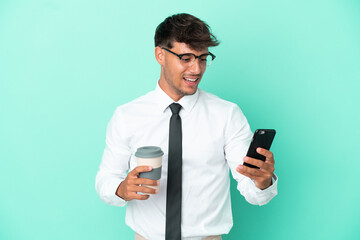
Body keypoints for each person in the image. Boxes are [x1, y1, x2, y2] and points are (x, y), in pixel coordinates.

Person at [95, 13, 278, 240]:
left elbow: (252, 191)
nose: (197, 69)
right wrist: (121, 189)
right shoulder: (127, 116)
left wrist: (262, 181)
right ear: (160, 55)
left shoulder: (227, 115)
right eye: (186, 58)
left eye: (203, 58)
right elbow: (106, 179)